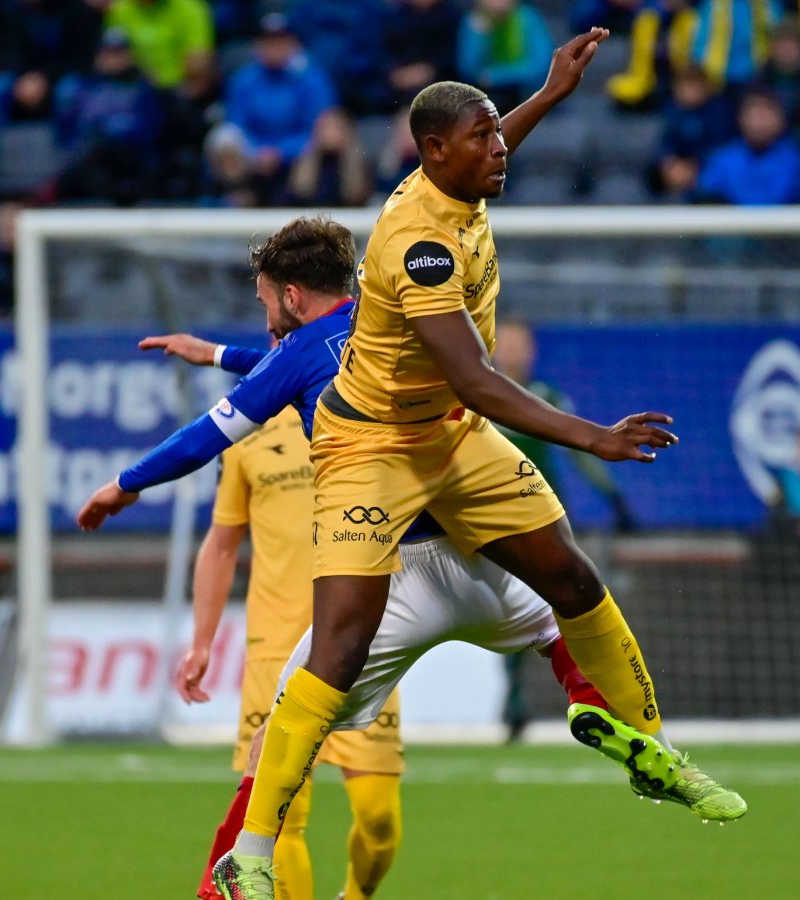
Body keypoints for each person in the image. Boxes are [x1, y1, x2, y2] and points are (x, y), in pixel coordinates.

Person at [206, 34, 753, 895]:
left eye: (500, 135)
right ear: (434, 152)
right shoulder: (420, 245)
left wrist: (549, 95)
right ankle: (253, 854)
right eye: (487, 138)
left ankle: (654, 754)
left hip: (449, 434)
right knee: (340, 647)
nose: (501, 150)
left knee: (574, 581)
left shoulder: (456, 178)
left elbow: (484, 155)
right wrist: (591, 436)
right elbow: (476, 378)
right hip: (373, 448)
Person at [72, 216, 735, 898]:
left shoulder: (298, 354)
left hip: (389, 574)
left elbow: (204, 437)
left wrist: (122, 486)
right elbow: (304, 357)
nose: (266, 314)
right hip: (476, 554)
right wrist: (215, 353)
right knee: (562, 620)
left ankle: (233, 872)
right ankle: (606, 713)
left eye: (268, 300)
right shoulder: (399, 317)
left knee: (286, 731)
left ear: (293, 296)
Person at [181, 406, 408, 900]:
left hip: (359, 640)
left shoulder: (359, 407)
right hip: (273, 649)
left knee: (379, 819)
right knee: (279, 820)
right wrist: (202, 642)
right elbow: (222, 543)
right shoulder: (245, 432)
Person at [490, 320, 638, 741]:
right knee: (512, 611)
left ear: (532, 351)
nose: (514, 352)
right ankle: (514, 701)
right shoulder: (476, 395)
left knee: (574, 608)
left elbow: (581, 451)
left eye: (522, 344)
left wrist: (613, 497)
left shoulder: (547, 398)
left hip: (545, 521)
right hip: (495, 523)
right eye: (508, 343)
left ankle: (600, 698)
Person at [211, 14, 336, 205]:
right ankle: (239, 198)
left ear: (293, 44)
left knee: (329, 133)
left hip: (298, 153)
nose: (274, 48)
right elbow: (236, 123)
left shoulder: (310, 78)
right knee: (223, 138)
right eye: (268, 42)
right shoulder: (244, 79)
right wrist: (256, 152)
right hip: (254, 154)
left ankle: (303, 205)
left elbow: (317, 125)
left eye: (280, 42)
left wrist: (281, 152)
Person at [51, 28, 165, 205]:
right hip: (90, 163)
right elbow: (68, 132)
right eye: (107, 52)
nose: (112, 58)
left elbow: (150, 130)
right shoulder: (85, 88)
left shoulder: (143, 89)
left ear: (130, 55)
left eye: (118, 52)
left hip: (130, 160)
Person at [695, 88, 800, 204]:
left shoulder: (796, 160)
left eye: (766, 113)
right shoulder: (723, 159)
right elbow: (705, 194)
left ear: (780, 119)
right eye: (754, 114)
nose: (759, 122)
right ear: (740, 118)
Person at [650, 65, 736, 198]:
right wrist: (670, 161)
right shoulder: (670, 112)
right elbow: (666, 142)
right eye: (685, 86)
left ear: (706, 88)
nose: (690, 92)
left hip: (706, 165)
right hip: (679, 167)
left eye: (695, 86)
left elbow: (719, 144)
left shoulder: (719, 112)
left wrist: (694, 165)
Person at [457, 0, 555, 112]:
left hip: (526, 93)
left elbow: (541, 66)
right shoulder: (473, 22)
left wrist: (495, 76)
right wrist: (478, 36)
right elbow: (468, 70)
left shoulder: (528, 19)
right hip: (486, 96)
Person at [103, 0, 215, 90]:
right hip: (135, 85)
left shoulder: (191, 8)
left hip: (178, 87)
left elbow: (198, 58)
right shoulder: (119, 10)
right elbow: (109, 58)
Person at [383, 0, 465, 107]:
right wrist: (396, 74)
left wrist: (429, 71)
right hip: (394, 92)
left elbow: (456, 59)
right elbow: (381, 55)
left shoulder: (454, 17)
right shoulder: (390, 17)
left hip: (442, 88)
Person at [284, 108, 373, 207]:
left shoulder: (361, 167)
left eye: (336, 128)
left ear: (347, 132)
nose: (330, 134)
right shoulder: (303, 164)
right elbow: (296, 195)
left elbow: (359, 199)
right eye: (326, 128)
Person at [754, 20, 800, 129]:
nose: (786, 52)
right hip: (768, 136)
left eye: (791, 46)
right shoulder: (761, 79)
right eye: (782, 46)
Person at [692, 0, 782, 89]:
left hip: (755, 76)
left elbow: (776, 33)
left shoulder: (766, 4)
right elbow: (695, 33)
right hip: (712, 76)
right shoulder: (710, 3)